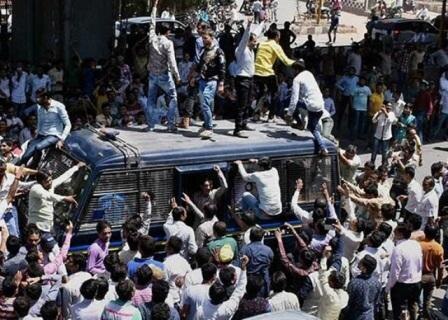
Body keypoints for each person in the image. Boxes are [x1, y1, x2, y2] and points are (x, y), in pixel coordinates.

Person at [145, 0, 180, 133]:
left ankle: (151, 125)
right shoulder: (168, 43)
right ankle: (170, 124)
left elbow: (151, 23)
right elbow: (172, 62)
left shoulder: (152, 38)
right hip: (164, 75)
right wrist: (177, 76)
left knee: (151, 99)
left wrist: (154, 7)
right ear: (168, 31)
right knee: (172, 97)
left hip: (152, 74)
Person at [189, 28, 225, 139]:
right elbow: (200, 66)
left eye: (205, 38)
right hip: (202, 80)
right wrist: (194, 77)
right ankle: (206, 124)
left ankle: (209, 127)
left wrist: (221, 83)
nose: (203, 40)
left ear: (211, 38)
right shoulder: (203, 50)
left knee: (205, 102)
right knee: (206, 104)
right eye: (202, 38)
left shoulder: (218, 51)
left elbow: (222, 68)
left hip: (212, 81)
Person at [19, 89, 72, 166]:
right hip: (41, 135)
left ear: (46, 97)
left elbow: (68, 124)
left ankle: (34, 167)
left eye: (39, 98)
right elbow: (40, 122)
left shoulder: (59, 106)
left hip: (54, 135)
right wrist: (36, 135)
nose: (37, 100)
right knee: (25, 157)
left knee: (38, 147)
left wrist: (62, 139)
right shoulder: (39, 107)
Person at [286, 59, 328, 155]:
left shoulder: (297, 79)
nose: (292, 72)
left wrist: (289, 114)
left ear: (296, 70)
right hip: (320, 104)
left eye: (292, 70)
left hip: (311, 106)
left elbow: (294, 99)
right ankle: (323, 147)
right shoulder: (309, 74)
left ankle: (300, 123)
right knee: (312, 127)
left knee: (288, 101)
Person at [254, 29, 295, 121]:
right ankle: (271, 116)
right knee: (275, 94)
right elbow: (286, 61)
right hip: (267, 72)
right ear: (276, 37)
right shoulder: (275, 46)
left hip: (256, 72)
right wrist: (297, 63)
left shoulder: (262, 44)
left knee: (261, 93)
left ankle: (256, 114)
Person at [27, 163, 82, 233]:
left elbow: (63, 177)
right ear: (40, 182)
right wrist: (64, 198)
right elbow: (48, 196)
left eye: (50, 180)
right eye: (47, 181)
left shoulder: (50, 185)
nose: (50, 183)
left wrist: (76, 167)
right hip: (37, 228)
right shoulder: (36, 188)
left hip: (48, 227)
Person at [386, 223, 422, 320]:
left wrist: (389, 287)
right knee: (412, 307)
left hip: (402, 285)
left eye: (395, 232)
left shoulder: (398, 249)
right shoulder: (416, 244)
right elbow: (419, 263)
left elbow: (394, 272)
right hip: (416, 282)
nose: (393, 233)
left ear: (401, 234)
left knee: (398, 311)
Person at [233, 18, 257, 138]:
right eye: (254, 41)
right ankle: (237, 129)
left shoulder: (252, 51)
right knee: (241, 105)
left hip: (250, 79)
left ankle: (244, 123)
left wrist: (263, 22)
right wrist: (248, 26)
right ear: (248, 41)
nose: (255, 43)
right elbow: (244, 39)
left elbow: (258, 31)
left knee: (248, 103)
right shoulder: (241, 50)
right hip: (242, 79)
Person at [344, 255, 382, 320]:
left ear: (364, 269)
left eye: (361, 262)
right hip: (369, 316)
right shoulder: (377, 283)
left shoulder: (354, 283)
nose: (359, 262)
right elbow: (376, 301)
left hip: (355, 316)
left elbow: (348, 301)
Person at [239, 227, 273, 298]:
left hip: (249, 281)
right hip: (263, 281)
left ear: (250, 237)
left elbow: (241, 265)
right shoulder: (268, 250)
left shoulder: (244, 249)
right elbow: (270, 262)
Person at [419, 224, 444, 319]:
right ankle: (426, 316)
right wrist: (439, 280)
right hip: (431, 277)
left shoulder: (419, 245)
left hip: (419, 276)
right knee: (427, 302)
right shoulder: (438, 248)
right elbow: (440, 267)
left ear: (425, 233)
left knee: (416, 299)